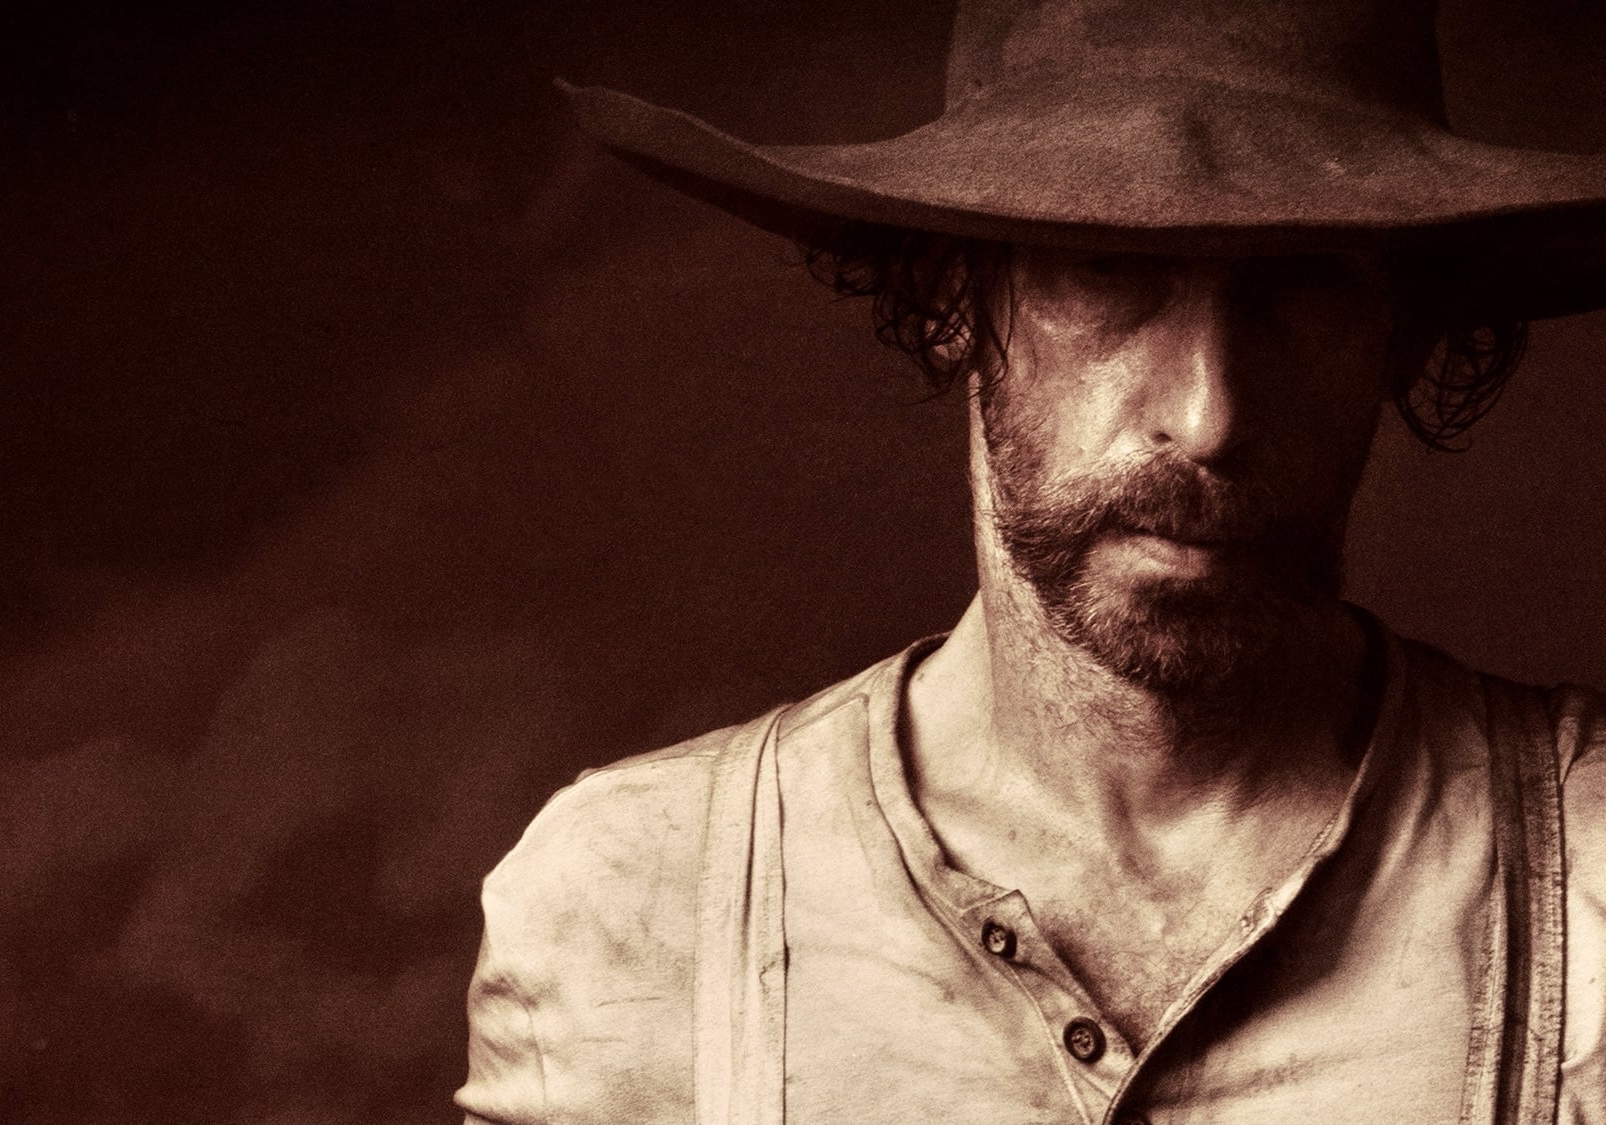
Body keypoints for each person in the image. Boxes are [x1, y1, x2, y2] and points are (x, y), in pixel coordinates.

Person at [458, 1, 1606, 1121]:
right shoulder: (634, 904)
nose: (1207, 416)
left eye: (1300, 288)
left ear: (1398, 333)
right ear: (948, 292)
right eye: (1109, 272)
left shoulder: (1591, 875)